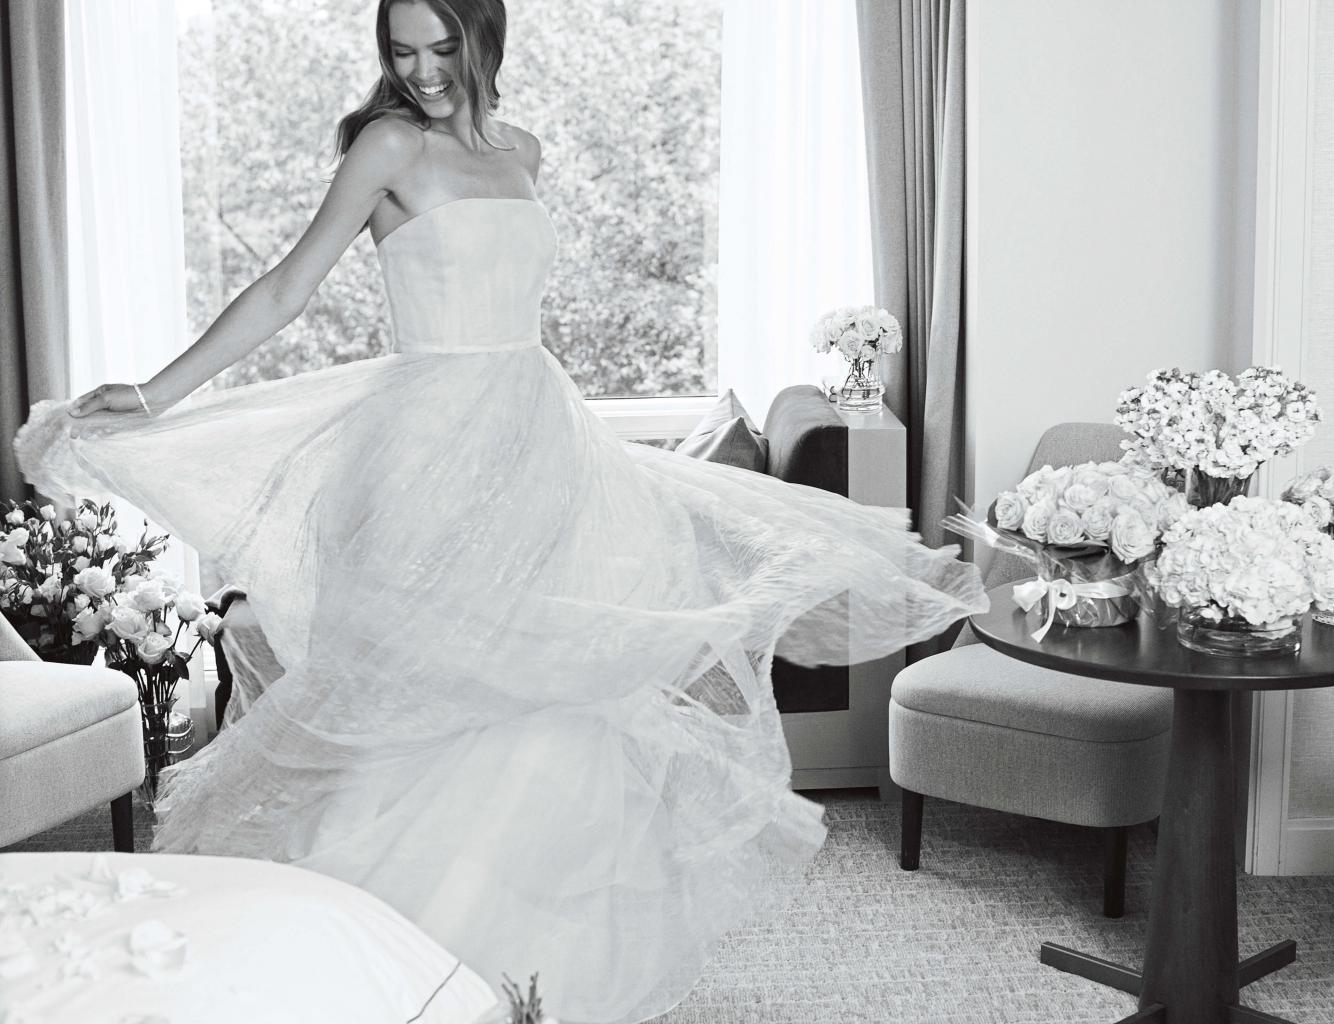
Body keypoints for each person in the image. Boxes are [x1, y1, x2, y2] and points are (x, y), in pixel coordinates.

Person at [13, 1, 986, 1020]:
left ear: (486, 37)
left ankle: (521, 972)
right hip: (422, 453)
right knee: (421, 703)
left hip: (533, 447)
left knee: (549, 702)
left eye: (443, 46)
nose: (424, 69)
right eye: (401, 50)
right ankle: (385, 958)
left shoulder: (523, 150)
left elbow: (510, 299)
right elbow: (284, 289)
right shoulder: (387, 144)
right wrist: (159, 395)